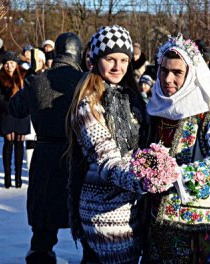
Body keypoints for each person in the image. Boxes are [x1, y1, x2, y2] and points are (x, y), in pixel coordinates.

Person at [144, 33, 210, 263]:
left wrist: (179, 175)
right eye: (164, 70)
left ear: (191, 74)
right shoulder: (154, 110)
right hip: (156, 226)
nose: (168, 78)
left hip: (194, 231)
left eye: (177, 72)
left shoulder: (208, 116)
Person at [65, 25, 149, 263]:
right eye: (110, 59)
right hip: (103, 211)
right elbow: (106, 159)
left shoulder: (132, 100)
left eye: (123, 60)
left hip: (130, 208)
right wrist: (145, 180)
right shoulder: (88, 105)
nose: (117, 67)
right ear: (95, 60)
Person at [8, 32, 84, 264]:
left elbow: (15, 108)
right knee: (83, 215)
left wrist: (32, 79)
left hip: (44, 156)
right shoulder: (86, 80)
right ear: (77, 53)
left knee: (44, 222)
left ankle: (40, 254)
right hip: (76, 155)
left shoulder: (38, 80)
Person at [0, 51, 29, 188]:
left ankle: (18, 178)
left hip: (22, 114)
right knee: (8, 143)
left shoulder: (25, 75)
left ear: (16, 64)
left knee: (19, 144)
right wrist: (10, 106)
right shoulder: (0, 79)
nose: (9, 66)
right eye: (7, 63)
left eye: (12, 63)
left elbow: (30, 93)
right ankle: (8, 177)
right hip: (7, 114)